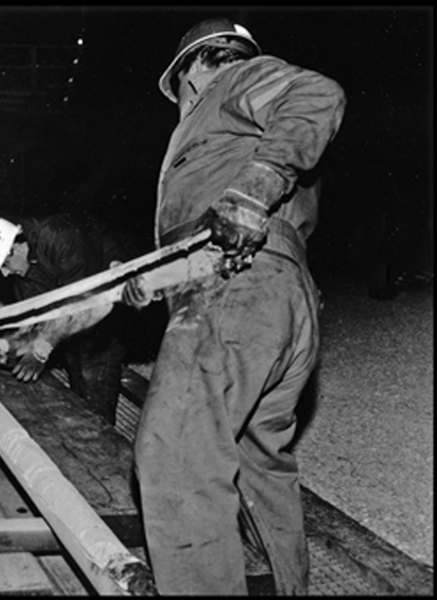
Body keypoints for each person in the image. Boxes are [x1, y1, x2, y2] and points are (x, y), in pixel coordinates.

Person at [118, 17, 346, 594]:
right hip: (273, 299)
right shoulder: (236, 131)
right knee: (257, 463)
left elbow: (319, 93)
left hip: (235, 289)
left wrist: (254, 187)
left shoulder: (232, 79)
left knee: (176, 458)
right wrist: (159, 275)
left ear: (192, 70)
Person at [0, 213, 138, 426]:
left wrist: (41, 350)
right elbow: (36, 323)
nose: (5, 274)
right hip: (77, 315)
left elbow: (84, 304)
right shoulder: (24, 276)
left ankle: (103, 445)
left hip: (106, 306)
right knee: (76, 373)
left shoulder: (58, 238)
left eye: (5, 265)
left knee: (93, 372)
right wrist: (1, 346)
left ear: (14, 248)